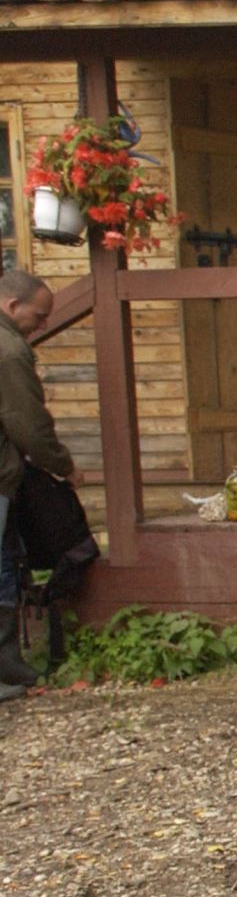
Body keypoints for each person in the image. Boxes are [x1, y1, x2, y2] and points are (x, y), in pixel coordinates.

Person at [0, 269, 76, 701]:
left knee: (6, 566)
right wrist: (62, 465)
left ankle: (9, 668)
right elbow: (27, 424)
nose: (43, 325)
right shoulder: (9, 351)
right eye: (39, 315)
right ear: (13, 306)